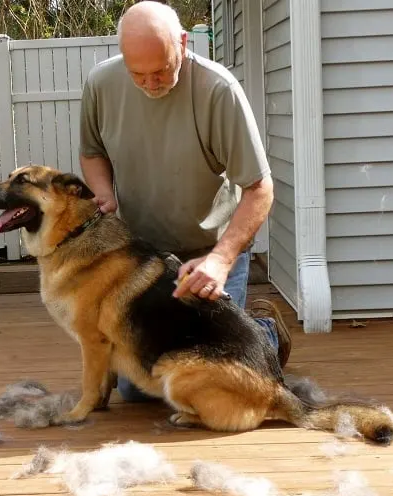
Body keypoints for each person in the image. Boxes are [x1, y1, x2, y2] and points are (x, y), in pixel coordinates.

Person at [78, 1, 292, 403]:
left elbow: (260, 188)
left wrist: (222, 260)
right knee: (139, 391)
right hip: (142, 258)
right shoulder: (101, 83)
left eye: (161, 70)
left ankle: (262, 331)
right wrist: (103, 192)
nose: (150, 83)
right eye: (137, 73)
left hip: (209, 253)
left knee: (221, 369)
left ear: (183, 42)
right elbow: (92, 152)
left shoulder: (218, 89)